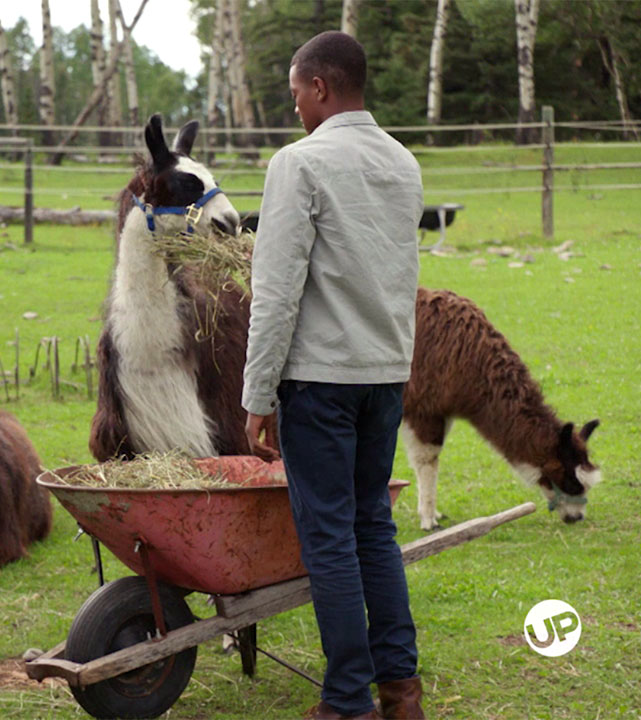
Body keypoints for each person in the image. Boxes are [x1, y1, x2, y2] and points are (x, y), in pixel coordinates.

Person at [242, 32, 426, 720]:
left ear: (321, 86)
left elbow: (277, 289)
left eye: (295, 95)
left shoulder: (300, 164)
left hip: (319, 381)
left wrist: (258, 395)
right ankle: (400, 691)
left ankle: (349, 701)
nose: (294, 110)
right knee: (372, 526)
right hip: (385, 374)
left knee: (329, 536)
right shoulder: (403, 163)